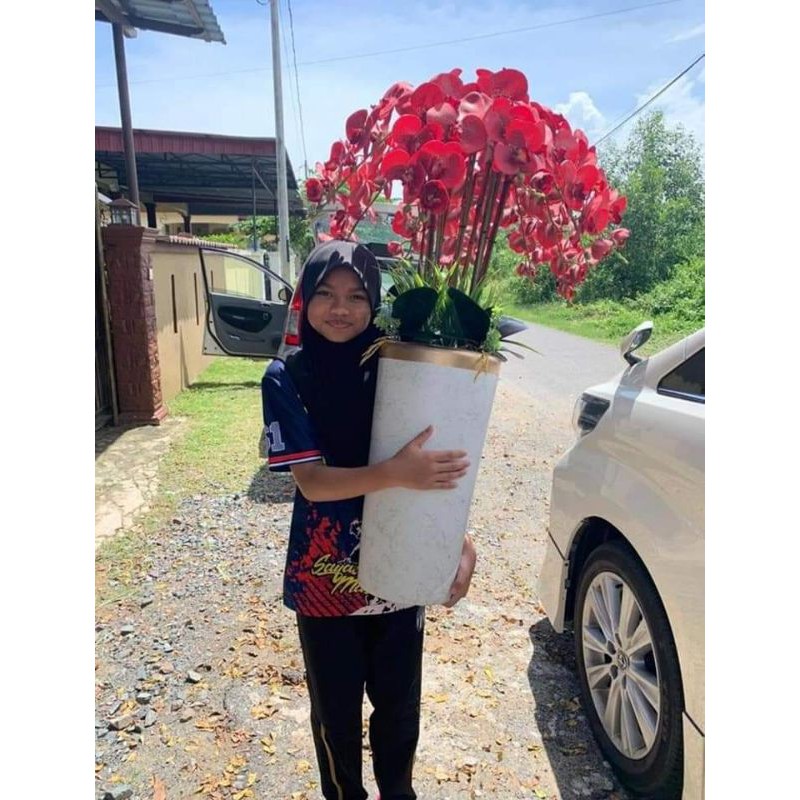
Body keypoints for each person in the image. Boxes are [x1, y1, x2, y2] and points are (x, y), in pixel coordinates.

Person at [261, 240, 477, 800]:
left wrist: (459, 541)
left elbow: (437, 461)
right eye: (326, 294)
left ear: (374, 303)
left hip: (399, 565)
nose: (341, 309)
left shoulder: (399, 368)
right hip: (323, 578)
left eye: (357, 296)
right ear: (303, 299)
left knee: (400, 709)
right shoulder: (287, 376)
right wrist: (396, 473)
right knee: (335, 716)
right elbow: (313, 482)